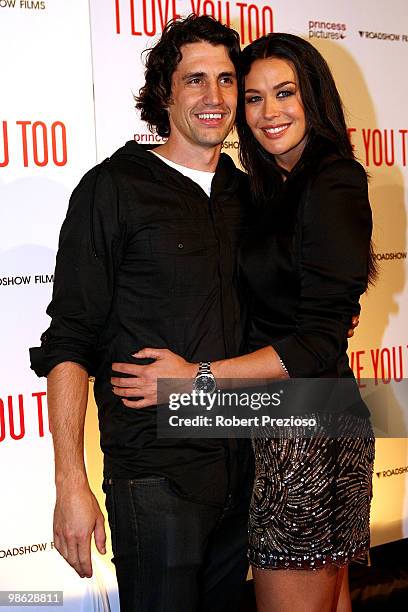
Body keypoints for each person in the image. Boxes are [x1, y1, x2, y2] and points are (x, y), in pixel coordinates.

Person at [113, 33, 375, 612]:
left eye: (285, 93)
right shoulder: (270, 186)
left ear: (315, 98)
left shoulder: (331, 179)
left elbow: (316, 340)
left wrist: (195, 380)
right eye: (253, 97)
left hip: (304, 426)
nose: (267, 112)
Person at [29, 15, 255, 612]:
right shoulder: (114, 188)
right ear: (164, 92)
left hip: (244, 470)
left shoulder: (246, 193)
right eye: (195, 80)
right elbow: (71, 339)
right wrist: (69, 484)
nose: (214, 99)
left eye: (227, 80)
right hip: (156, 478)